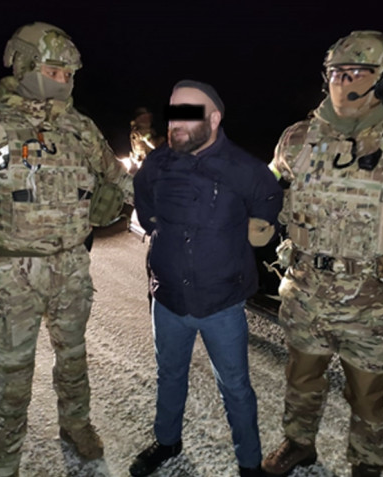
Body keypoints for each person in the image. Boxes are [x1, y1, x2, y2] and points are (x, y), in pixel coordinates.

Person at [261, 31, 383, 477]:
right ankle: (298, 443)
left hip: (378, 305)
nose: (342, 81)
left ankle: (366, 465)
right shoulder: (297, 139)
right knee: (300, 381)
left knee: (369, 398)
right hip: (307, 294)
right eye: (335, 72)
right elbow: (268, 189)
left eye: (357, 72)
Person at [0, 22, 133, 477]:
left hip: (71, 264)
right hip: (12, 272)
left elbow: (119, 177)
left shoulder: (78, 127)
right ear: (25, 65)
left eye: (69, 74)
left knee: (72, 356)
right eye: (54, 71)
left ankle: (75, 424)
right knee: (13, 372)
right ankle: (3, 458)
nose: (64, 81)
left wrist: (140, 201)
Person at [131, 80, 283, 477]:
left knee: (235, 386)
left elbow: (269, 197)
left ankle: (249, 463)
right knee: (169, 374)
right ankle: (167, 440)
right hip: (167, 299)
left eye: (189, 113)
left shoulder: (244, 168)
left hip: (222, 304)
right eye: (173, 113)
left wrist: (258, 228)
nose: (176, 123)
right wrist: (158, 231)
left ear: (214, 119)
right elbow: (144, 201)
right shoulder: (157, 164)